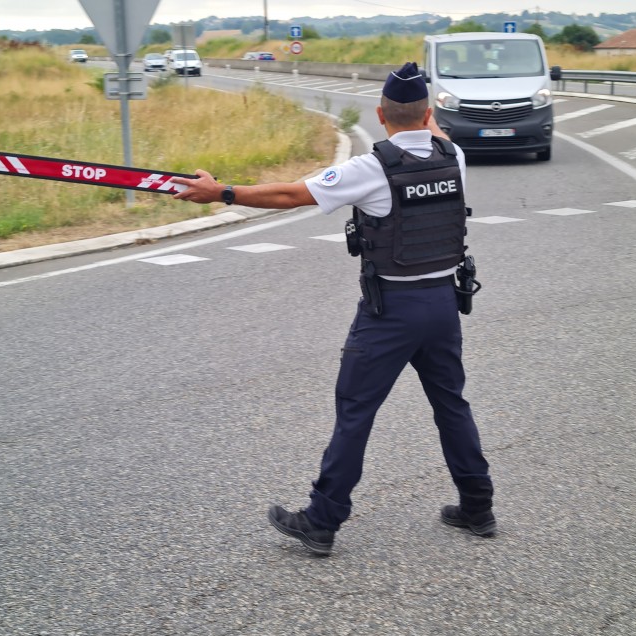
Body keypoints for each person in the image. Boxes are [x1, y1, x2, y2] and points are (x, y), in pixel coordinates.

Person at [171, 62, 495, 556]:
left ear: (379, 115)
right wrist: (425, 116)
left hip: (392, 312)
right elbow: (434, 134)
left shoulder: (371, 169)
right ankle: (478, 507)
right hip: (443, 305)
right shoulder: (455, 158)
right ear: (428, 113)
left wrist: (222, 193)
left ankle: (322, 520)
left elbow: (290, 194)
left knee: (355, 411)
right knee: (451, 405)